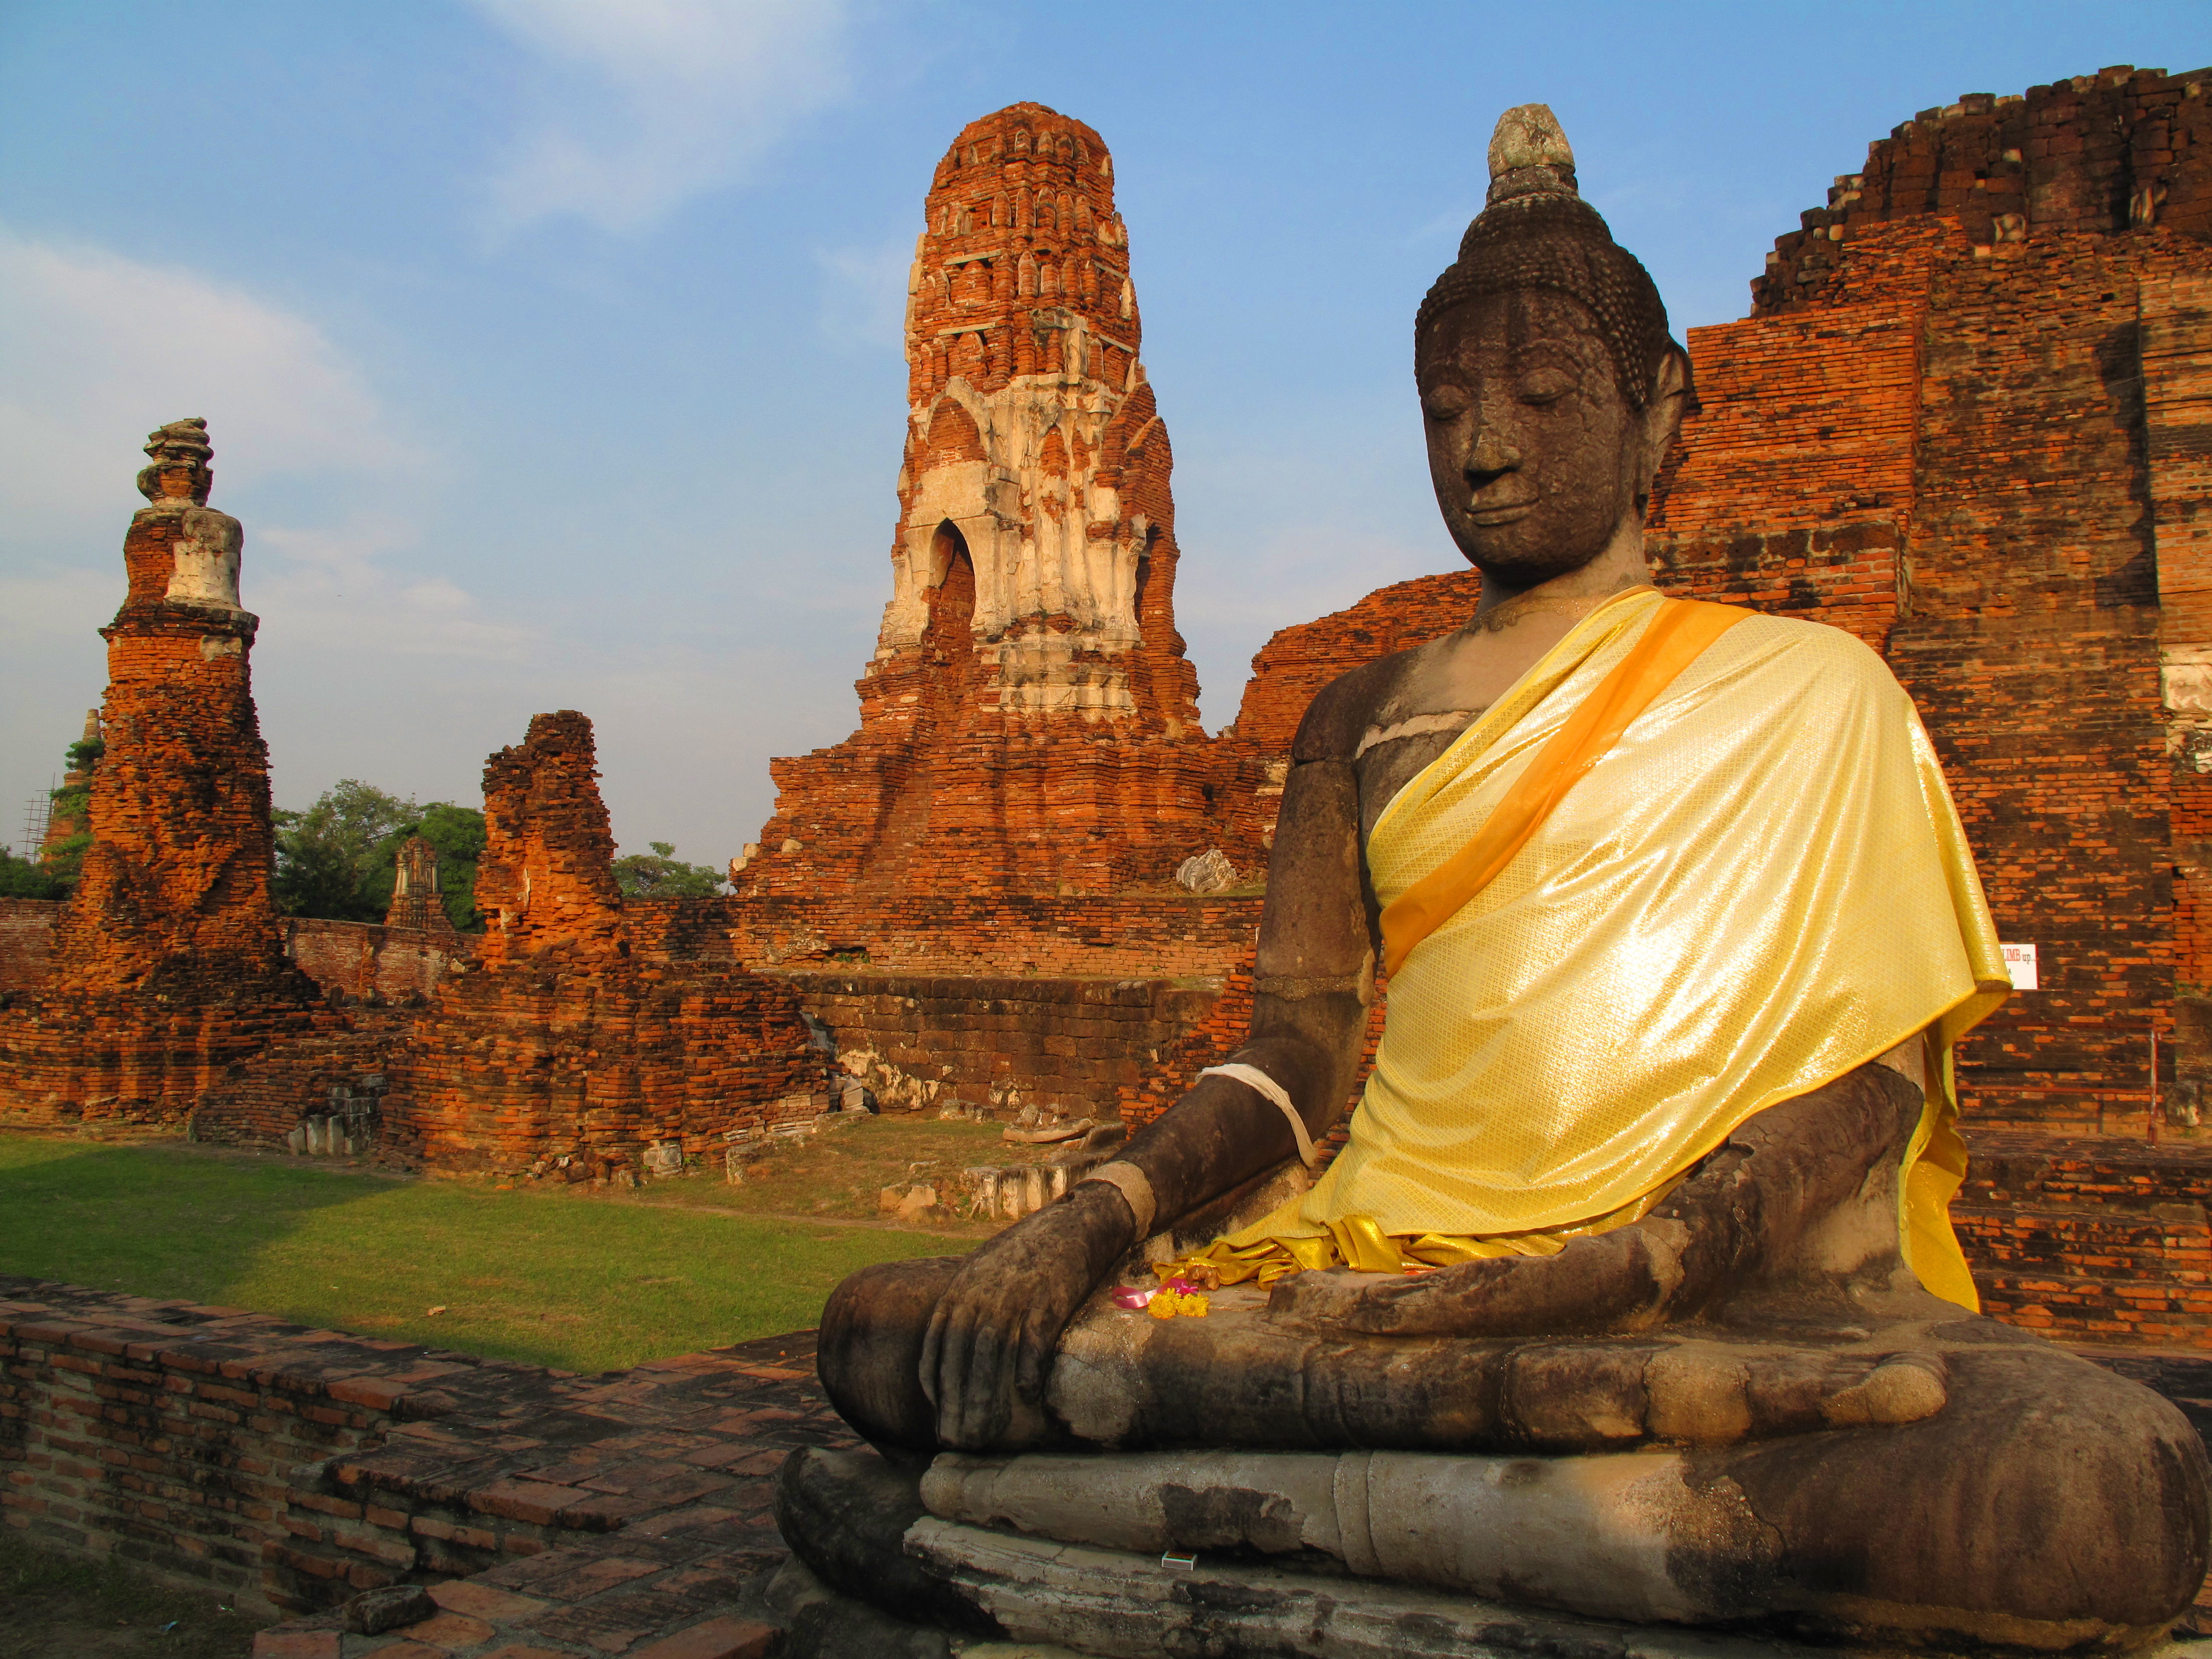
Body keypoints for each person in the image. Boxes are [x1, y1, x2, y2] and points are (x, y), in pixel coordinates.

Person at [797, 107, 2208, 1647]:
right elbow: (1299, 1055)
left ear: (1663, 411)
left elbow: (1872, 1077)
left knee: (2091, 1494)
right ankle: (1528, 1536)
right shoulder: (1365, 712)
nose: (1485, 446)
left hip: (1716, 1286)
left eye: (1544, 395)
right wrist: (1096, 1215)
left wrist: (1650, 1260)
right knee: (892, 1336)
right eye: (1447, 404)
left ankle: (1126, 1529)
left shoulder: (1820, 690)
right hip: (1375, 1280)